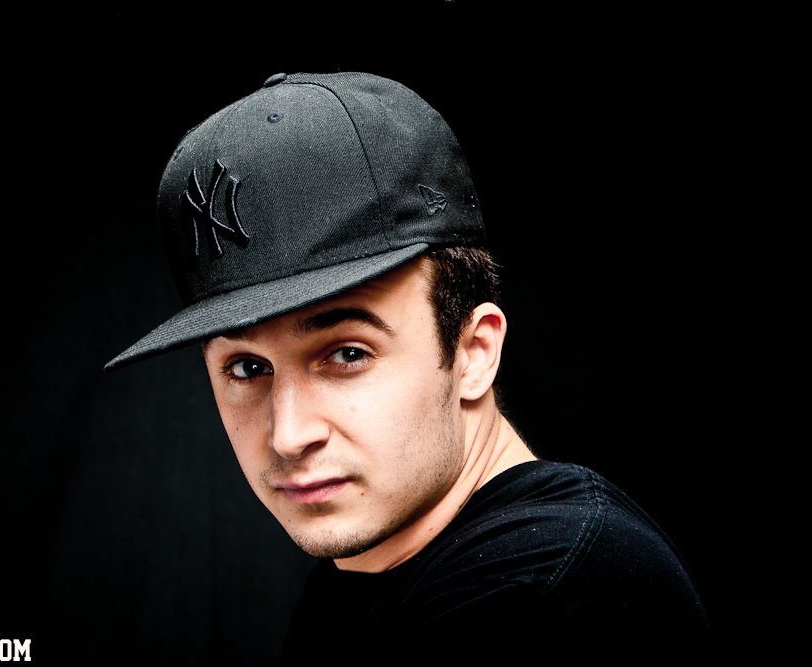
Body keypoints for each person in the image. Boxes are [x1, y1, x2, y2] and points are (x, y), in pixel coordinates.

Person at [106, 71, 710, 660]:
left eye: (347, 354)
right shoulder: (378, 574)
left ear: (473, 352)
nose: (288, 435)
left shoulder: (532, 606)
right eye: (246, 368)